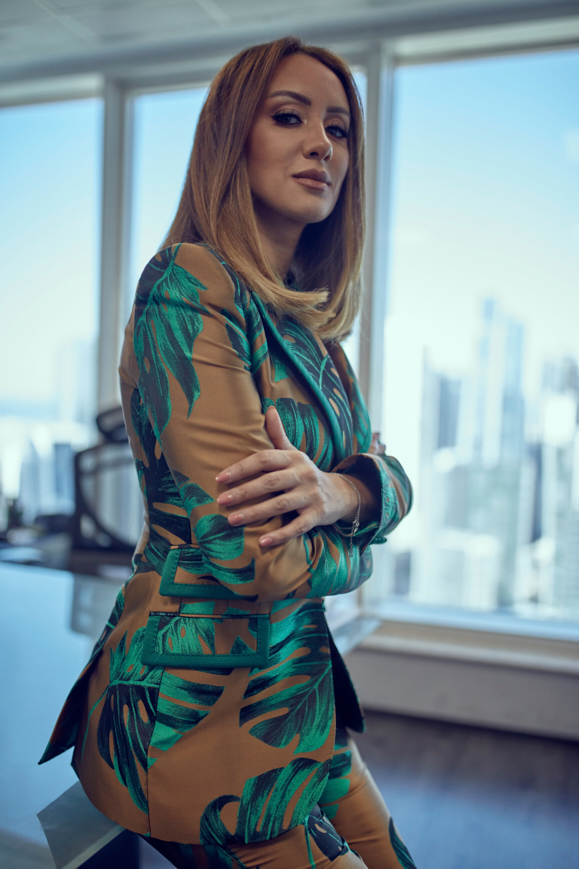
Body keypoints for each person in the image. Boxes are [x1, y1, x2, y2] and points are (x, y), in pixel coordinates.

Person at [40, 36, 415, 869]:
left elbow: (388, 474)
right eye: (289, 117)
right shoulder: (188, 284)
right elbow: (256, 561)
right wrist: (364, 548)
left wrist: (342, 495)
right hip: (199, 722)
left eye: (339, 129)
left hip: (296, 699)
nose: (322, 144)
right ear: (230, 139)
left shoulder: (311, 328)